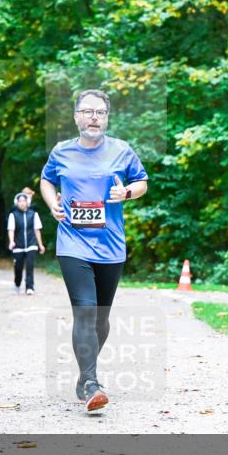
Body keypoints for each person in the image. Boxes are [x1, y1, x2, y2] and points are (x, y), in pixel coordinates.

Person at [40, 89, 148, 413]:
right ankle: (91, 383)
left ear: (106, 118)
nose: (93, 118)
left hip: (111, 245)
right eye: (87, 112)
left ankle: (83, 375)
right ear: (75, 116)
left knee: (101, 320)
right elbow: (46, 181)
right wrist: (52, 204)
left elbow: (142, 182)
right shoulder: (61, 152)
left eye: (100, 113)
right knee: (84, 311)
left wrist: (126, 192)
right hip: (72, 242)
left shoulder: (122, 150)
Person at [7, 192, 45, 295]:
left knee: (30, 266)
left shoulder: (33, 214)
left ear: (27, 202)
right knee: (18, 267)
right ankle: (17, 283)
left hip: (31, 244)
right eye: (20, 201)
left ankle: (29, 287)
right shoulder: (13, 215)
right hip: (18, 245)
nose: (22, 203)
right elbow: (11, 230)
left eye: (24, 201)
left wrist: (40, 244)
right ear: (17, 203)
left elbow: (37, 230)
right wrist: (11, 241)